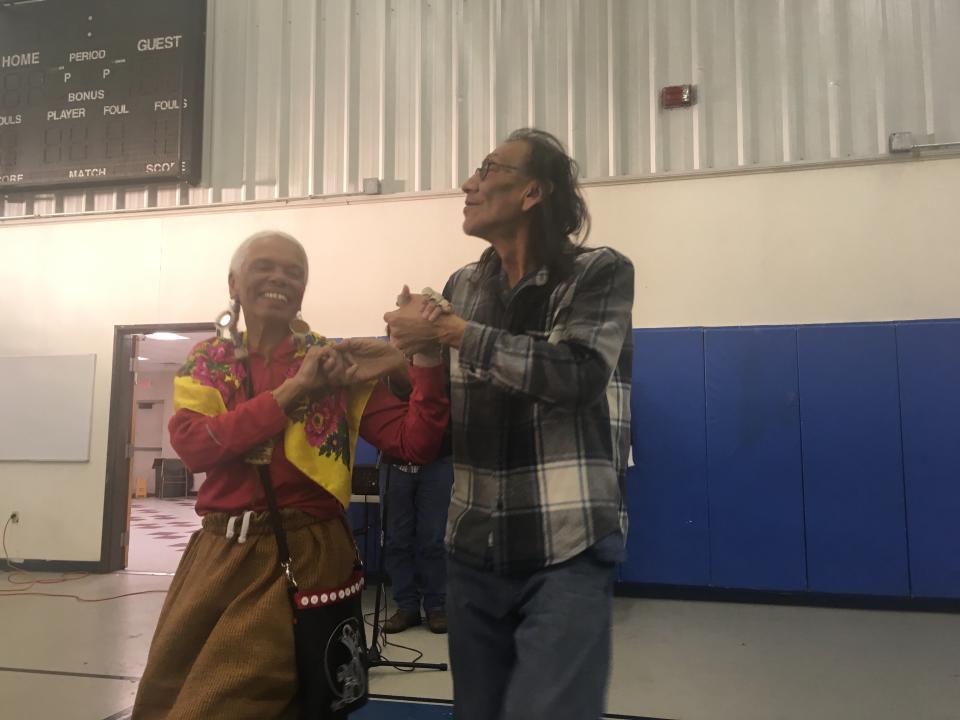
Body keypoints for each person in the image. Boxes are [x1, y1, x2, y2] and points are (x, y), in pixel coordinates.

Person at [132, 230, 449, 719]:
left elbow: (415, 443)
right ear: (234, 283)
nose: (280, 277)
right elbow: (195, 446)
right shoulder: (210, 360)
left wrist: (421, 358)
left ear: (303, 291)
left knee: (244, 702)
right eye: (264, 267)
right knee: (167, 694)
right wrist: (295, 390)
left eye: (294, 272)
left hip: (312, 550)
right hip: (220, 553)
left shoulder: (332, 360)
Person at [385, 128, 634, 720]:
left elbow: (575, 373)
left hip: (565, 542)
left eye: (487, 168)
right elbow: (442, 398)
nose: (468, 184)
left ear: (531, 193)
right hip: (472, 547)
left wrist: (447, 333)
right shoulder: (461, 286)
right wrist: (404, 353)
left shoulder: (597, 273)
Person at [378, 451, 454, 634]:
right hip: (394, 462)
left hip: (437, 460)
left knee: (433, 538)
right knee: (395, 539)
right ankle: (407, 607)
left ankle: (436, 607)